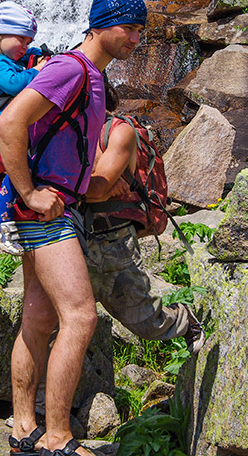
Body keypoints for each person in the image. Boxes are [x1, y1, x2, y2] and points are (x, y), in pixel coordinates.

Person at [0, 0, 148, 456]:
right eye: (128, 28)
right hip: (47, 212)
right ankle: (58, 444)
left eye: (140, 30)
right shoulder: (72, 69)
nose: (135, 39)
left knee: (38, 319)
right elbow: (12, 121)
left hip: (57, 207)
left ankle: (24, 428)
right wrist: (30, 191)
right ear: (100, 25)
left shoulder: (91, 76)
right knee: (80, 316)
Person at [83, 79, 206, 355]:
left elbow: (99, 190)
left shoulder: (117, 132)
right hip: (71, 234)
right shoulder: (66, 130)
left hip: (112, 240)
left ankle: (185, 321)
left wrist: (68, 185)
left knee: (143, 319)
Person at [0, 1, 49, 255]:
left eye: (28, 39)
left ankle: (19, 216)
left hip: (10, 133)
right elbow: (14, 85)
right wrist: (39, 70)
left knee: (29, 164)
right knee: (19, 165)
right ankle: (1, 220)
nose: (25, 45)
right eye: (21, 38)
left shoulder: (11, 61)